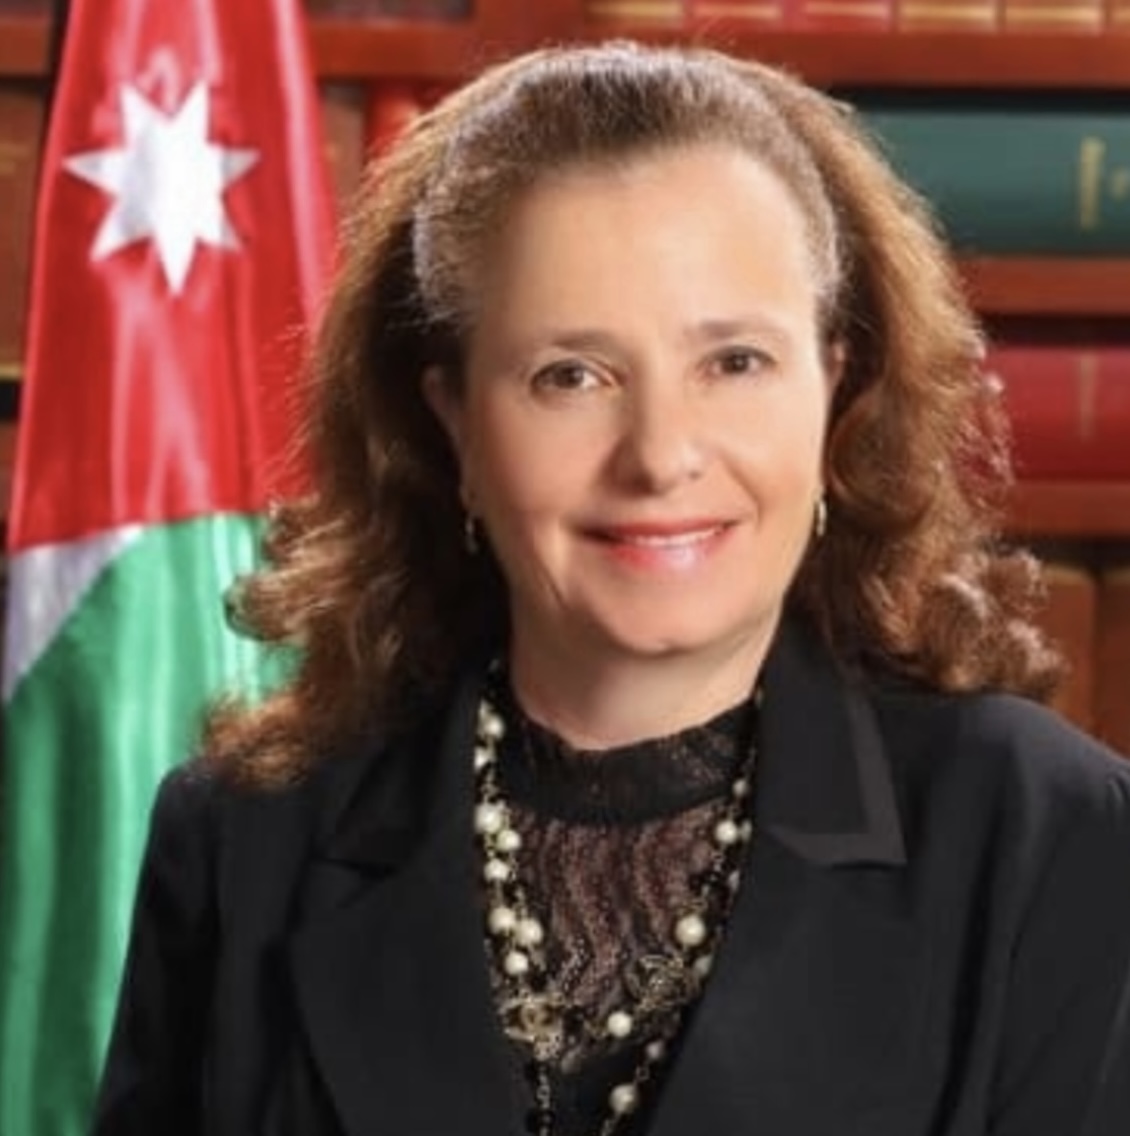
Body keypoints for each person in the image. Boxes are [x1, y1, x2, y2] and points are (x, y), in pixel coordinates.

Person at [91, 40, 1130, 1136]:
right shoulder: (244, 841)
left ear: (836, 385)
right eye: (571, 376)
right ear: (453, 422)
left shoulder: (1054, 839)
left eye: (734, 361)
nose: (660, 455)